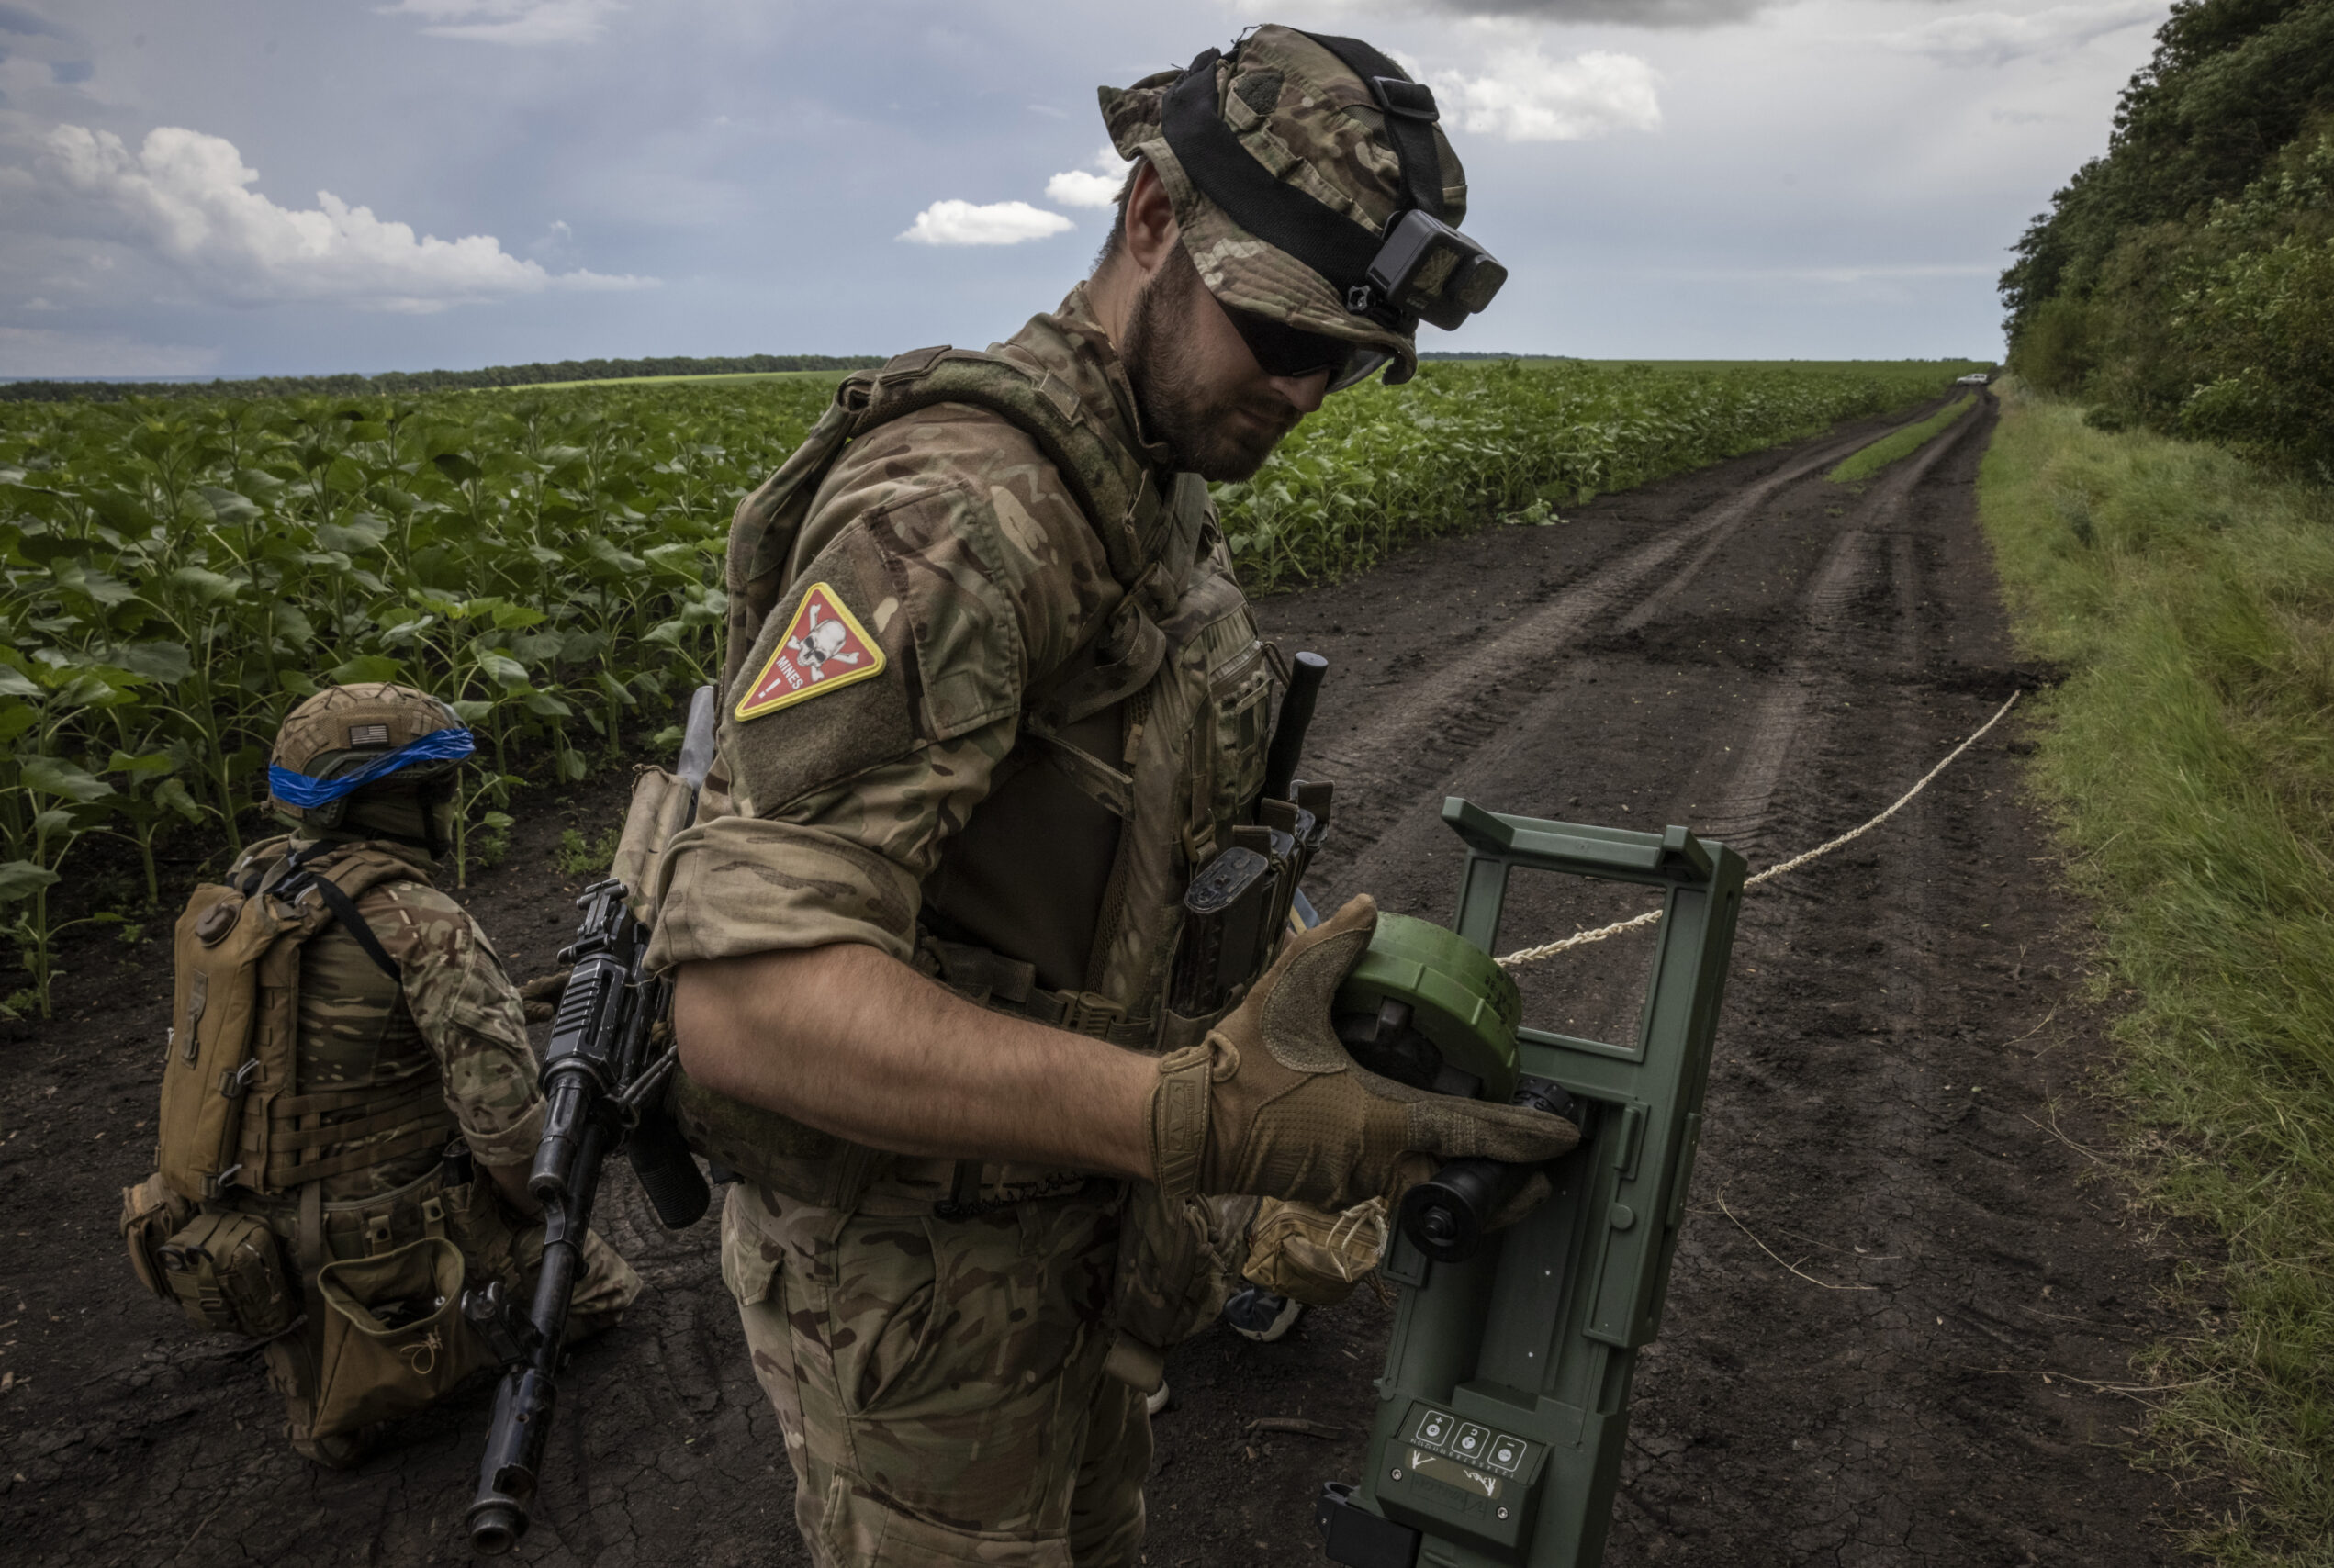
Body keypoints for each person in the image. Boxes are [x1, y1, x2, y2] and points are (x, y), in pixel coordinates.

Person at [646, 26, 1570, 1566]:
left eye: (1349, 359)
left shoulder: (1151, 475)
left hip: (1082, 1235)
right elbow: (746, 1002)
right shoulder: (958, 519)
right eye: (1283, 335)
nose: (1308, 389)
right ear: (1153, 221)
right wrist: (1190, 1113)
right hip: (922, 1299)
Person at [120, 682, 639, 1468]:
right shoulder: (422, 924)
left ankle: (321, 1365)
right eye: (437, 790)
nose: (451, 807)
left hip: (238, 1240)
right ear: (397, 802)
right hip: (373, 1241)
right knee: (601, 1286)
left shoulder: (250, 894)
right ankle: (402, 1345)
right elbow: (512, 1150)